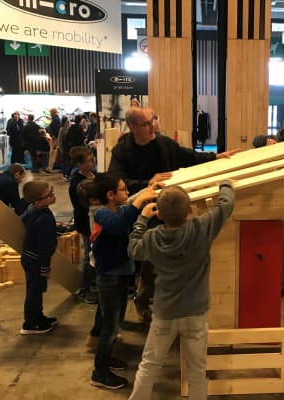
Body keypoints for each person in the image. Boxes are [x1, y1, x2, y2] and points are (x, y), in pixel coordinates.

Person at [108, 106, 239, 321]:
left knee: (172, 262)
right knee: (150, 264)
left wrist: (216, 157)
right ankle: (143, 301)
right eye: (147, 124)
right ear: (133, 127)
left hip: (170, 209)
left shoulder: (163, 143)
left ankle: (167, 300)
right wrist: (146, 183)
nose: (153, 127)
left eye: (153, 120)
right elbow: (118, 183)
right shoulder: (122, 152)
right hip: (146, 212)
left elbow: (187, 156)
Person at [127, 181, 235, 400]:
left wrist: (142, 219)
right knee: (197, 370)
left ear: (159, 214)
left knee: (149, 365)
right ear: (190, 210)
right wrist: (225, 185)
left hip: (165, 312)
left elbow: (133, 249)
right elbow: (225, 206)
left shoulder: (152, 238)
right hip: (195, 312)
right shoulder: (201, 228)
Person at [89, 173, 158, 390]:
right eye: (123, 190)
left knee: (116, 319)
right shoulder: (100, 214)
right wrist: (139, 203)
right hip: (108, 277)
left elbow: (128, 205)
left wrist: (148, 187)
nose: (128, 194)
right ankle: (99, 372)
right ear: (110, 195)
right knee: (110, 326)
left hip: (118, 276)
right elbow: (119, 225)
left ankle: (106, 358)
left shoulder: (116, 208)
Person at [19, 180, 58, 335]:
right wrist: (45, 267)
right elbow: (45, 248)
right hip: (37, 260)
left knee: (36, 289)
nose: (53, 195)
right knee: (34, 291)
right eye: (49, 194)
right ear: (38, 201)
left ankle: (38, 316)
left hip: (29, 257)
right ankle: (30, 323)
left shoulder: (32, 209)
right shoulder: (44, 219)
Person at [68, 146, 98, 304]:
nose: (93, 162)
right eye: (89, 161)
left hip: (94, 221)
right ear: (79, 164)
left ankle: (92, 282)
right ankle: (83, 289)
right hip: (86, 223)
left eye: (93, 159)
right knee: (88, 255)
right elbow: (83, 206)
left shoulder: (94, 175)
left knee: (94, 253)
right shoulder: (77, 184)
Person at [46, 108, 62, 172]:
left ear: (53, 113)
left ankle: (49, 168)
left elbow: (55, 129)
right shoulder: (57, 119)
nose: (50, 114)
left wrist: (54, 136)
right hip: (55, 138)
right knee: (53, 153)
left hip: (55, 138)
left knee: (52, 153)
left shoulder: (56, 120)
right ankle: (49, 167)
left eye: (51, 113)